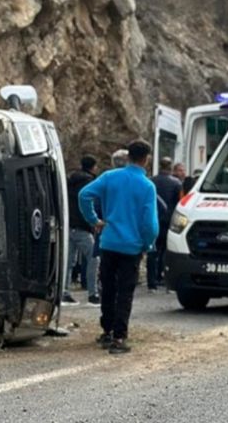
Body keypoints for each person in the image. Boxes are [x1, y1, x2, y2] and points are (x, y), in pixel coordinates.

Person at [79, 140, 159, 354]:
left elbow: (84, 195)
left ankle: (106, 330)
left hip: (109, 242)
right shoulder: (147, 186)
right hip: (131, 247)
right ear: (146, 159)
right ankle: (119, 337)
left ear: (129, 156)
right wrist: (147, 243)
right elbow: (150, 224)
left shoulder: (109, 177)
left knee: (108, 288)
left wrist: (94, 220)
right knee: (125, 292)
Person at [65, 155, 100, 306]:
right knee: (93, 258)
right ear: (93, 167)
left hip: (69, 225)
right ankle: (93, 294)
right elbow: (90, 204)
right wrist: (94, 221)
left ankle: (64, 292)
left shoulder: (70, 180)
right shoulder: (90, 183)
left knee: (69, 261)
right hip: (82, 227)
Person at [149, 157, 181, 292]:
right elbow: (179, 202)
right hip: (168, 220)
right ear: (170, 167)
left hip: (154, 218)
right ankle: (163, 277)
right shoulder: (176, 183)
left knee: (153, 250)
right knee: (166, 250)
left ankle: (152, 281)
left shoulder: (151, 181)